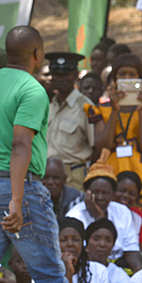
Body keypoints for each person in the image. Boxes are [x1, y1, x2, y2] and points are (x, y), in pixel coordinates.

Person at [0, 26, 68, 283]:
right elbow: (21, 144)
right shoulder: (32, 89)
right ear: (37, 53)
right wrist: (16, 198)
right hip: (18, 186)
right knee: (48, 272)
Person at [89, 53, 142, 226]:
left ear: (140, 79)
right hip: (112, 172)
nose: (127, 79)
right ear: (114, 79)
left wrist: (141, 111)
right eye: (122, 74)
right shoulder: (101, 109)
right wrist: (114, 110)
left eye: (132, 75)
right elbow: (102, 147)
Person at [65, 161, 142, 270]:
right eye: (95, 192)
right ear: (87, 193)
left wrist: (138, 274)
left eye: (105, 193)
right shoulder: (75, 215)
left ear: (112, 194)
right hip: (87, 267)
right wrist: (98, 218)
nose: (100, 197)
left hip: (118, 267)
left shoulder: (122, 211)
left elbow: (131, 248)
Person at [46, 52, 94, 190]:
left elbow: (96, 146)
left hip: (73, 177)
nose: (60, 79)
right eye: (56, 74)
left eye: (65, 74)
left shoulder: (85, 107)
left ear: (75, 75)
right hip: (46, 175)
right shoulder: (49, 106)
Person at [57, 217, 112, 283]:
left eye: (75, 240)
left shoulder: (99, 271)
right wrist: (68, 272)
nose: (70, 244)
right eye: (63, 240)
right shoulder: (46, 273)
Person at [85, 218, 131, 283]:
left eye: (108, 240)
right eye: (97, 239)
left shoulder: (119, 274)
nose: (102, 244)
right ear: (87, 244)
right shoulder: (77, 269)